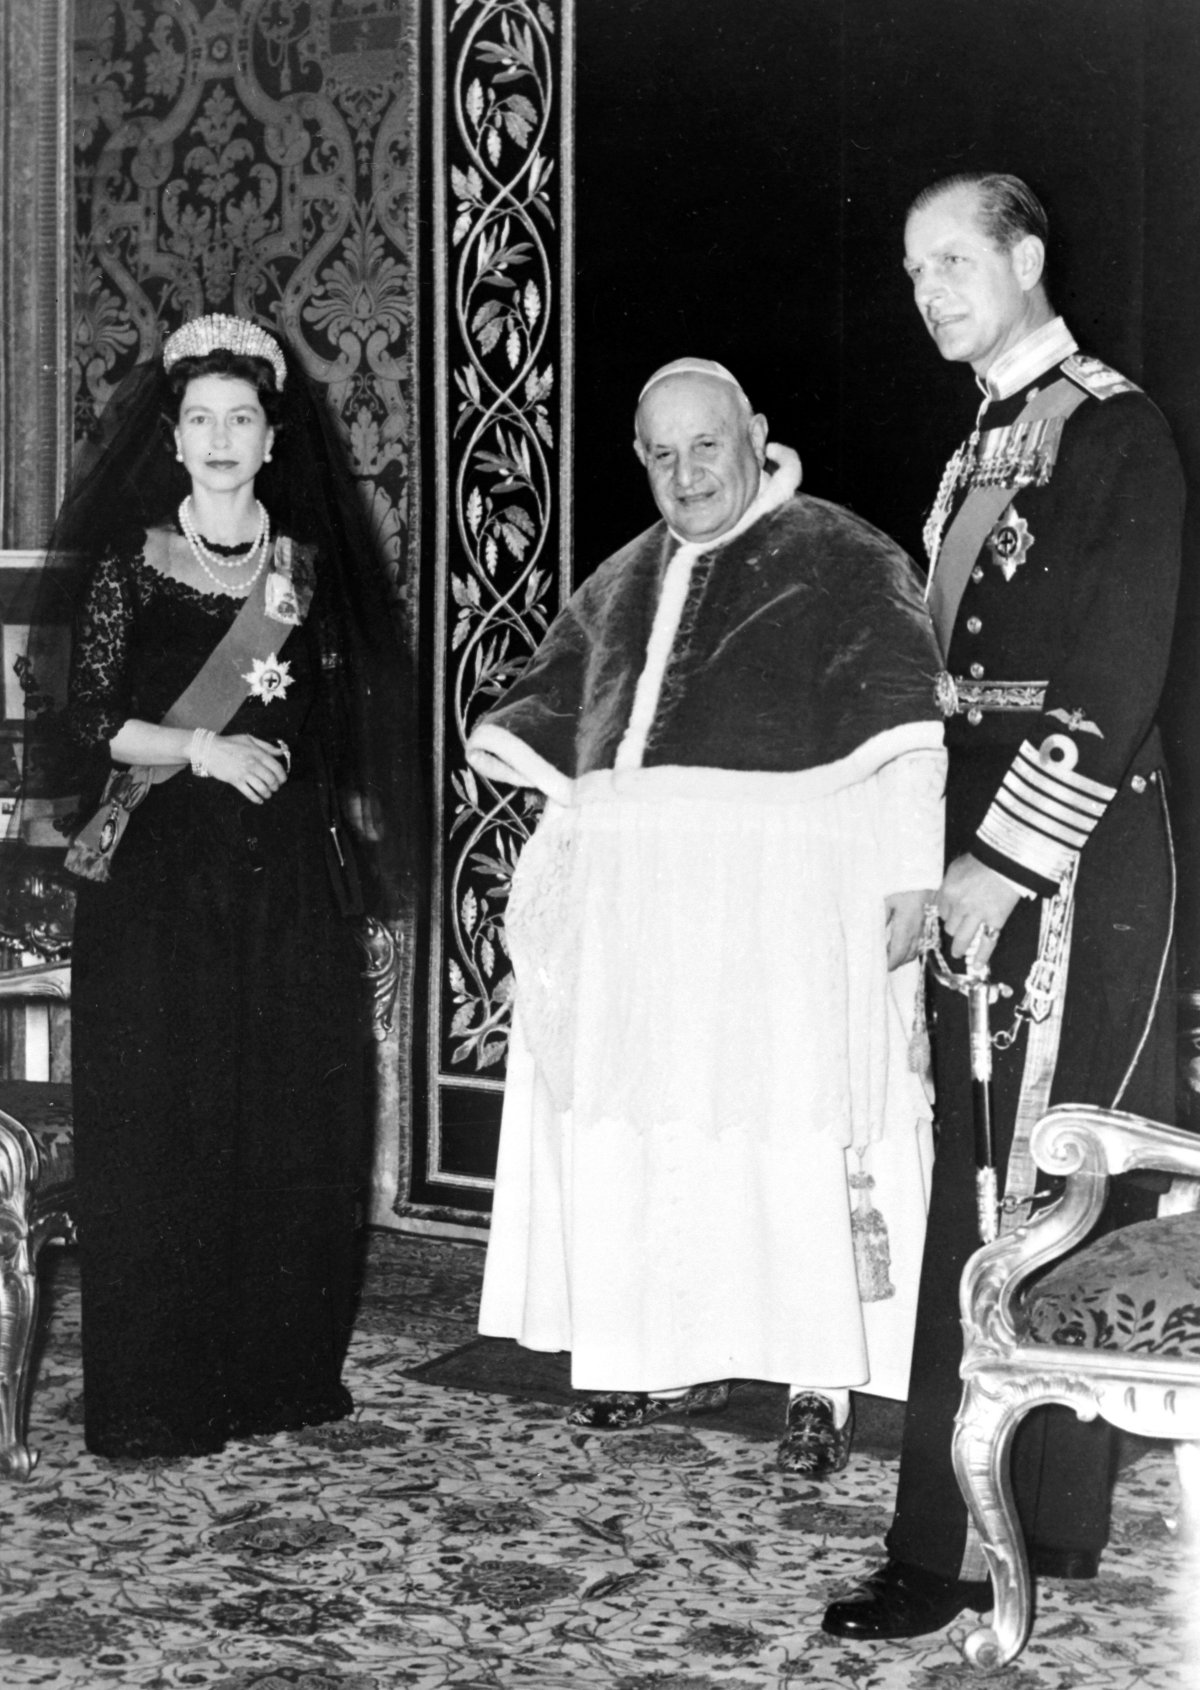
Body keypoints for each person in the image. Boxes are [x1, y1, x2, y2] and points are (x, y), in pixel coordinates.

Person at [465, 358, 947, 1475]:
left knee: (785, 1128)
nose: (686, 474)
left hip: (785, 914)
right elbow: (565, 739)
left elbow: (911, 740)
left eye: (706, 446)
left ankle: (819, 1378)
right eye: (661, 455)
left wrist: (912, 885)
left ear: (755, 434)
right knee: (659, 1135)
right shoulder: (625, 576)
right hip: (643, 923)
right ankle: (666, 1350)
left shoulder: (845, 555)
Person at [823, 173, 1185, 1639]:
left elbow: (1111, 683)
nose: (930, 290)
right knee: (983, 1191)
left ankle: (967, 1546)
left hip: (1081, 862)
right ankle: (1009, 1522)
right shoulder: (979, 440)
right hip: (986, 849)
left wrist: (1001, 859)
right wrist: (929, 858)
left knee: (1048, 1192)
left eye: (955, 260)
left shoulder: (1117, 430)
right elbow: (945, 680)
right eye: (913, 269)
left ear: (1028, 258)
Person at [13, 313, 418, 1459]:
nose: (222, 437)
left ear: (273, 437)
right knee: (172, 1120)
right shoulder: (126, 567)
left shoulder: (306, 573)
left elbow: (337, 717)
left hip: (283, 880)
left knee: (284, 1114)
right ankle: (161, 1393)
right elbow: (90, 723)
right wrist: (201, 750)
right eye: (202, 419)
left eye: (243, 418)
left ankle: (273, 1376)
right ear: (174, 437)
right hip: (161, 882)